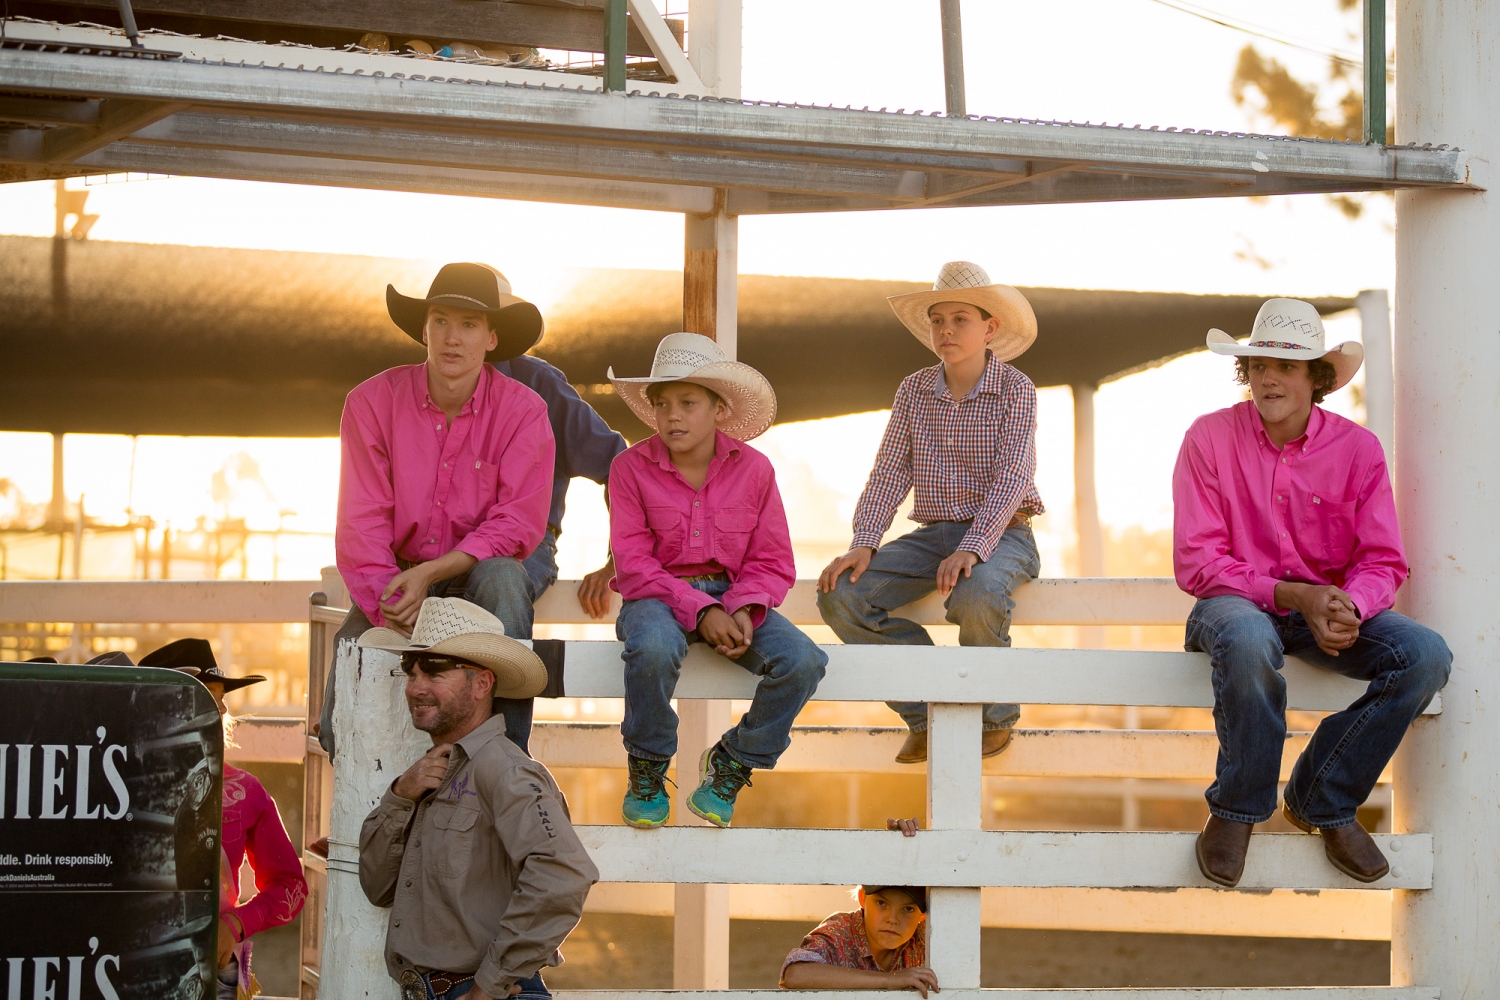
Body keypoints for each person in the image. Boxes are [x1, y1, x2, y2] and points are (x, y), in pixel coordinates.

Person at [1175, 298, 1451, 888]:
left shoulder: (1358, 450)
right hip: (1234, 606)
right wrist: (1293, 594)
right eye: (1257, 364)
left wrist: (1350, 605)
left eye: (1287, 365)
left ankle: (1323, 795)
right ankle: (1236, 809)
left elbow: (1382, 560)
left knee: (1425, 656)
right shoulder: (1209, 438)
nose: (1268, 377)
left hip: (1321, 610)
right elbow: (1198, 562)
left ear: (1315, 377)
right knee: (1249, 636)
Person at [326, 262, 556, 759]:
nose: (453, 338)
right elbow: (360, 522)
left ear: (492, 337)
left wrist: (434, 573)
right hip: (397, 579)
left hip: (476, 575)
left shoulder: (524, 411)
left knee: (505, 579)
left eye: (469, 325)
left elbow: (517, 523)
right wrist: (391, 599)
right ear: (424, 329)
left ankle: (506, 764)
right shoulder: (370, 403)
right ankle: (369, 810)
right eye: (441, 321)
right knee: (335, 721)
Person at [818, 261, 1044, 764]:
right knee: (842, 597)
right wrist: (865, 539)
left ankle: (994, 716)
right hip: (932, 536)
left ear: (990, 328)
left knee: (978, 594)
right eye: (938, 320)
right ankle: (926, 713)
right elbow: (890, 471)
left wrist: (973, 546)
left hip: (1003, 531)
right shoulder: (913, 390)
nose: (946, 330)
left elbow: (1012, 475)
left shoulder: (1017, 389)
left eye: (960, 319)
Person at [606, 333, 827, 828]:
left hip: (735, 599)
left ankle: (734, 759)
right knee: (653, 650)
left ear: (720, 408)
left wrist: (744, 610)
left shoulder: (755, 470)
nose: (672, 416)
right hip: (656, 598)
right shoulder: (627, 469)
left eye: (688, 403)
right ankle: (647, 763)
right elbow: (634, 563)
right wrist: (702, 611)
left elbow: (772, 559)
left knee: (804, 661)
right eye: (662, 404)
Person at [358, 598, 598, 1000]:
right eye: (410, 671)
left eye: (435, 671)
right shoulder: (428, 774)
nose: (416, 687)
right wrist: (401, 795)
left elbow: (564, 875)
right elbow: (377, 887)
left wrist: (489, 986)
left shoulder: (505, 771)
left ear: (482, 683)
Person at [141, 638, 308, 1000]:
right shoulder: (116, 787)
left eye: (219, 700)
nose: (218, 709)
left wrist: (235, 924)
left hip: (215, 968)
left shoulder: (246, 791)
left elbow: (290, 886)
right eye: (204, 698)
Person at [781, 819, 933, 996]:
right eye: (881, 903)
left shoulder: (926, 939)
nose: (892, 919)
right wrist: (889, 980)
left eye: (908, 909)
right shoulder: (841, 931)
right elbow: (796, 974)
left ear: (923, 915)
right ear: (862, 898)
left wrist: (915, 846)